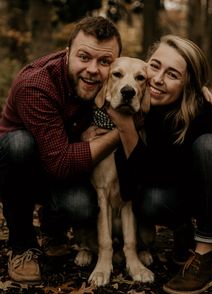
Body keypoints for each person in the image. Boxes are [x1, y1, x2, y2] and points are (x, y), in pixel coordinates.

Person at [108, 35, 212, 294]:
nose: (157, 79)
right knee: (149, 199)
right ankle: (184, 230)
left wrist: (124, 126)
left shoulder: (198, 109)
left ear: (188, 84)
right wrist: (126, 123)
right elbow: (132, 186)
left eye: (173, 74)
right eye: (155, 66)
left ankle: (206, 257)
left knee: (208, 145)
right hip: (189, 188)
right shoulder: (142, 104)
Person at [0, 16, 122, 284]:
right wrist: (118, 133)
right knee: (19, 144)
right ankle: (22, 246)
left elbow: (148, 79)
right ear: (67, 54)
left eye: (104, 62)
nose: (93, 69)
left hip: (65, 160)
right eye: (84, 57)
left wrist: (196, 88)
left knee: (83, 206)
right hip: (23, 169)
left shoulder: (110, 78)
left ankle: (53, 228)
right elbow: (60, 164)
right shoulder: (36, 85)